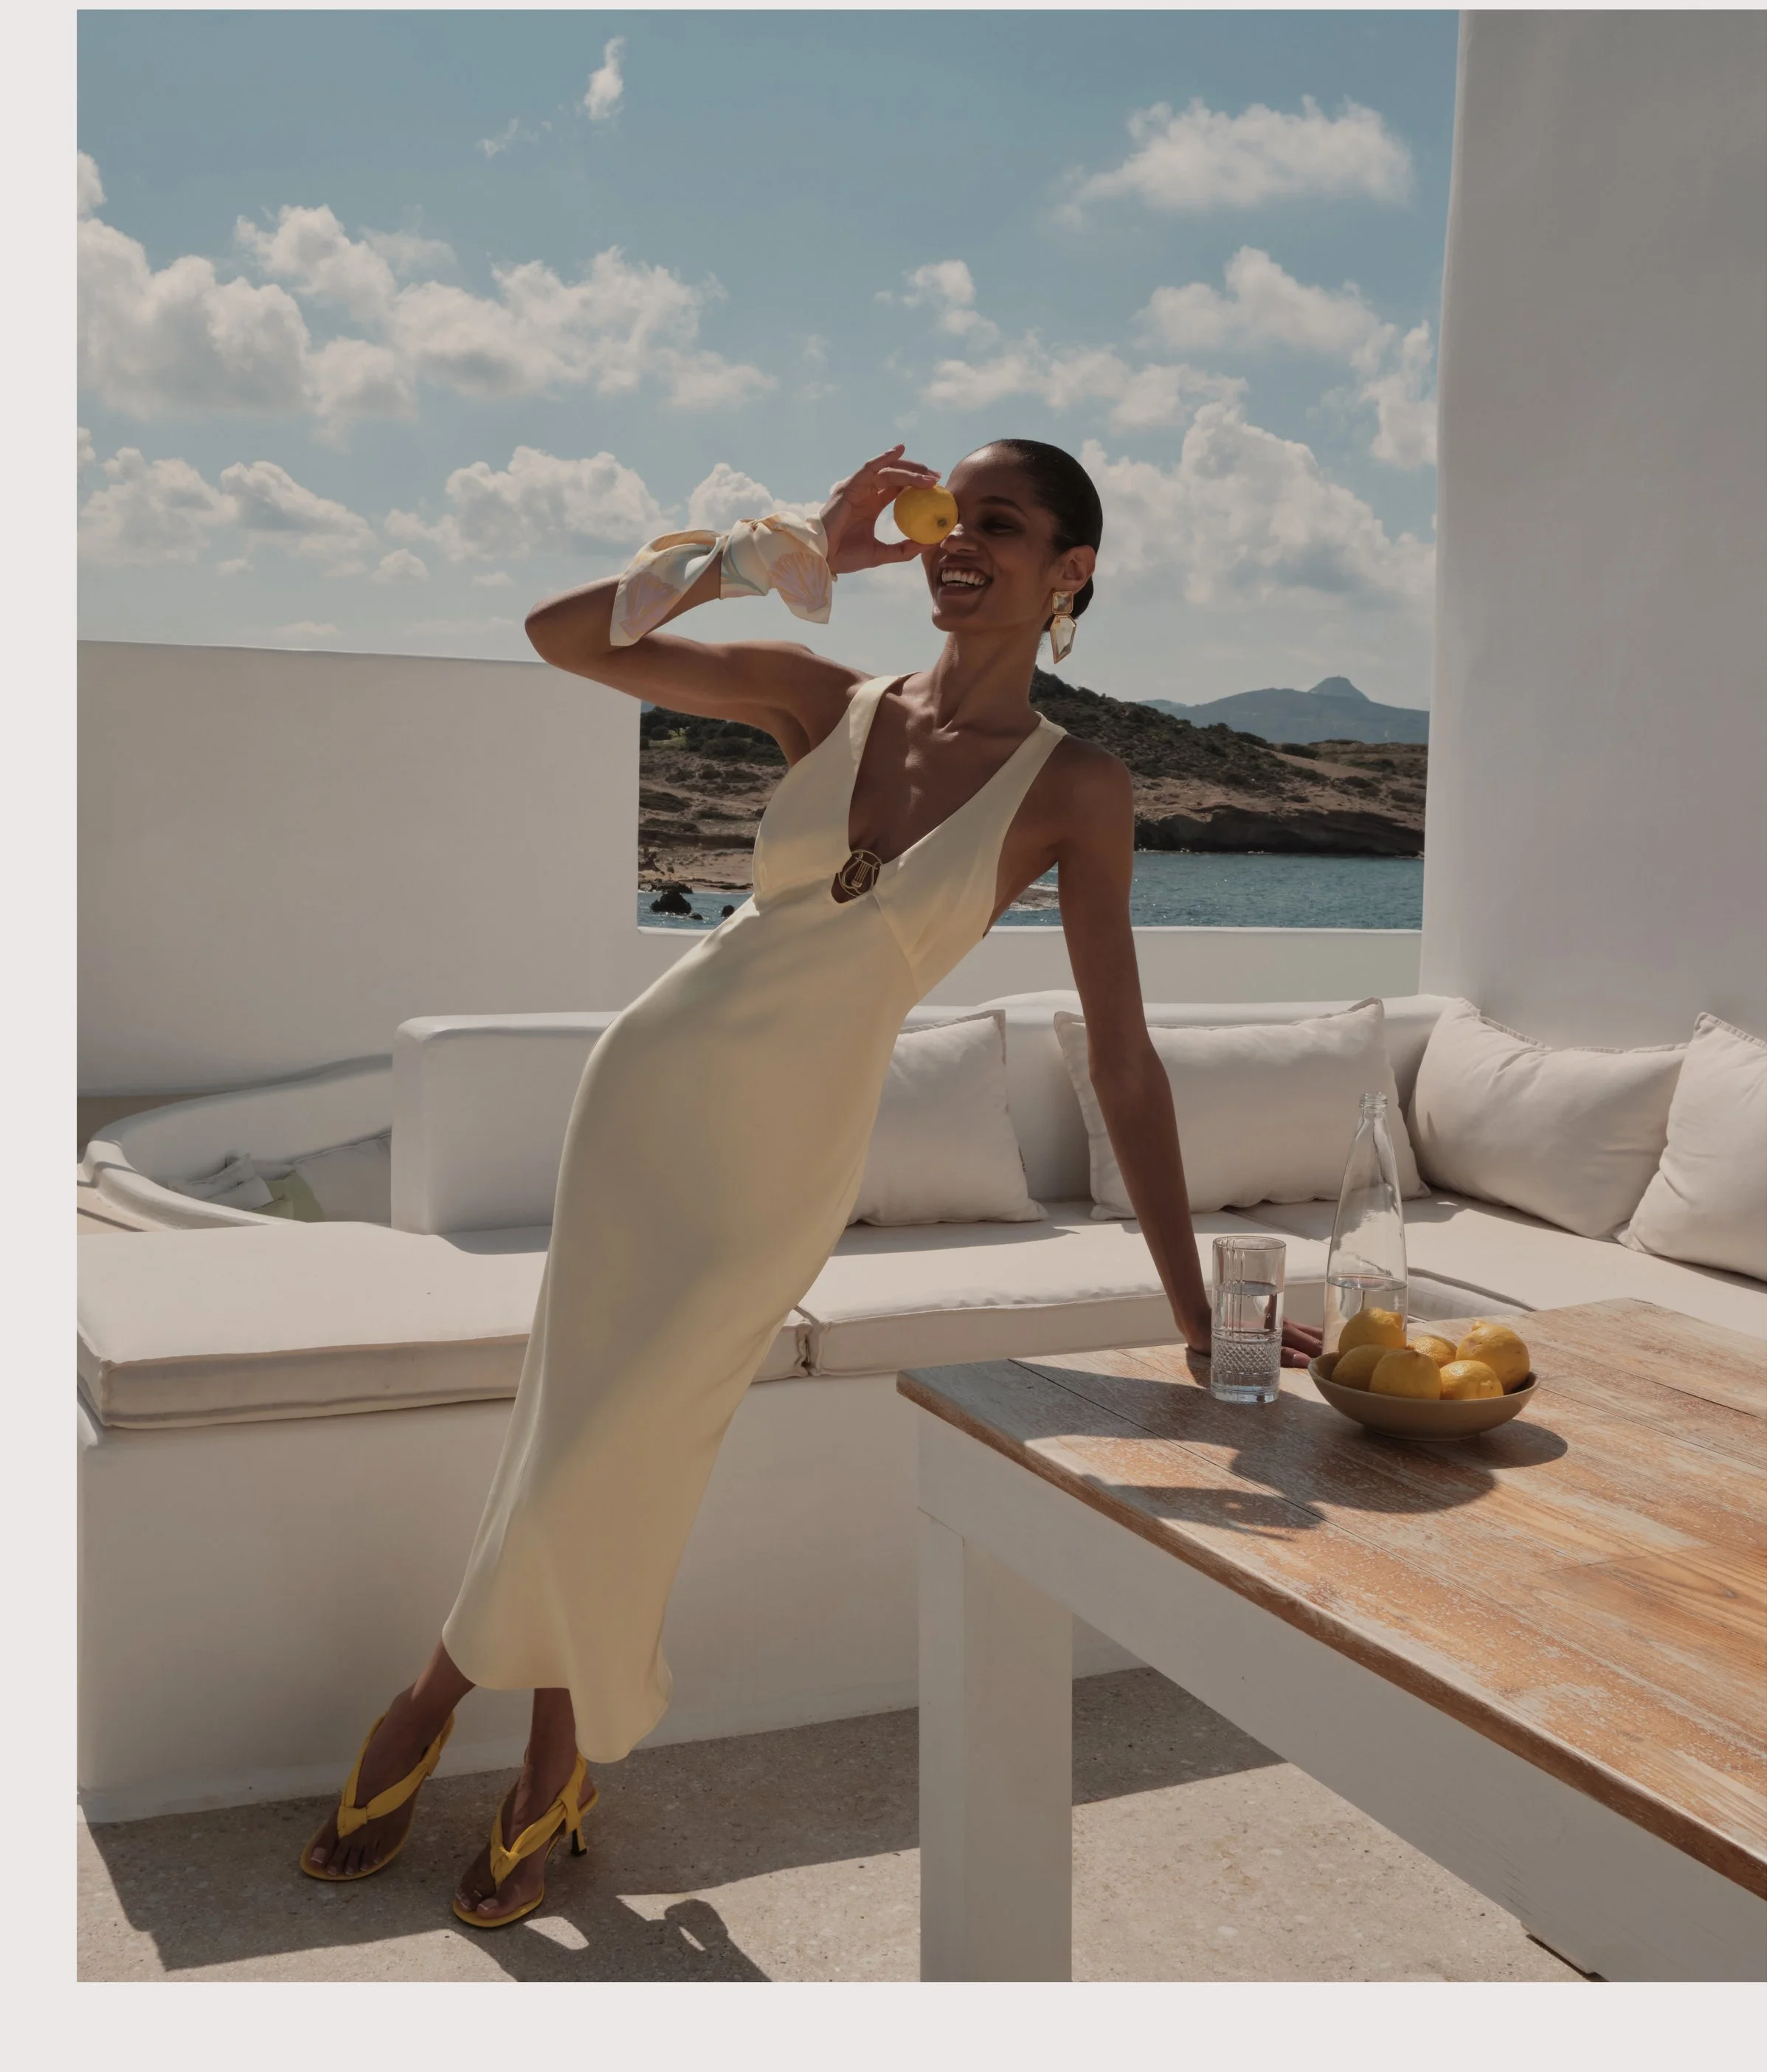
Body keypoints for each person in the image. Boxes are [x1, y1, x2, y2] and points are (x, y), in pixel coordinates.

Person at [300, 438, 1314, 1927]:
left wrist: (1185, 1315)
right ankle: (550, 1764)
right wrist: (794, 551)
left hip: (784, 1151)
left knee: (618, 1439)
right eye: (947, 518)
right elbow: (563, 638)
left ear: (1069, 572)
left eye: (1001, 525)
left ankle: (427, 1699)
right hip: (649, 1091)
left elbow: (1124, 1065)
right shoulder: (816, 696)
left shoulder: (1074, 789)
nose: (960, 543)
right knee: (591, 1430)